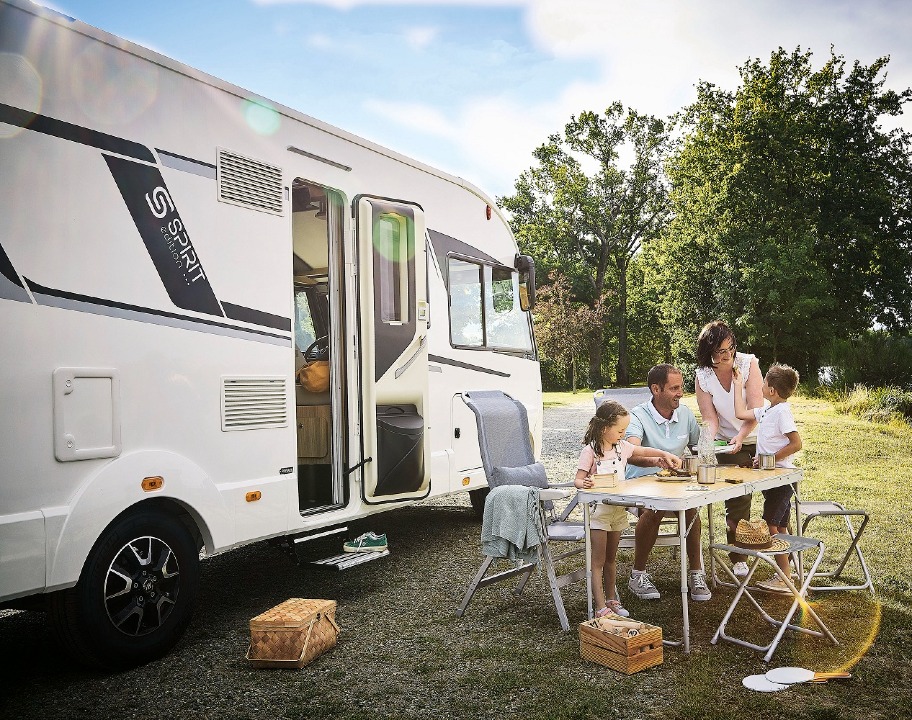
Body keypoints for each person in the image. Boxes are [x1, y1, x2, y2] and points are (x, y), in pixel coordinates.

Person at [574, 400, 680, 618]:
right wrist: (584, 483)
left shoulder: (621, 447)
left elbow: (643, 450)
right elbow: (578, 479)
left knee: (611, 559)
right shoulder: (590, 451)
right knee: (598, 561)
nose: (624, 434)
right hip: (599, 513)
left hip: (617, 511)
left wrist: (664, 455)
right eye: (621, 430)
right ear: (605, 428)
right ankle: (600, 606)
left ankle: (612, 599)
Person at [624, 365, 711, 602]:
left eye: (680, 387)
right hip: (640, 484)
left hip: (676, 484)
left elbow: (699, 447)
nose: (680, 393)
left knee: (692, 507)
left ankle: (696, 573)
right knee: (656, 507)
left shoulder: (685, 415)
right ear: (656, 389)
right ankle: (637, 574)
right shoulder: (637, 416)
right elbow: (630, 453)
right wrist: (658, 460)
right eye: (674, 388)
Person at [694, 320, 763, 577]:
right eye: (720, 351)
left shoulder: (748, 364)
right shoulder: (703, 375)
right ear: (708, 352)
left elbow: (756, 410)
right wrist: (708, 443)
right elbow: (710, 419)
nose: (728, 355)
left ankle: (774, 554)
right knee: (732, 496)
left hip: (755, 438)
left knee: (762, 496)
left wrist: (741, 436)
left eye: (730, 348)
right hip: (726, 443)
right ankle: (735, 556)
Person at [733, 363, 803, 592]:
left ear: (771, 390)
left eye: (764, 382)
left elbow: (796, 443)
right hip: (771, 480)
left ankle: (784, 578)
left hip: (781, 479)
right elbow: (740, 413)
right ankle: (789, 572)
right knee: (780, 526)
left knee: (771, 525)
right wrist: (737, 384)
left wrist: (769, 459)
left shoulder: (782, 412)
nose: (761, 385)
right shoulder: (767, 410)